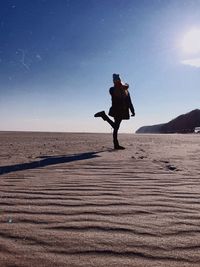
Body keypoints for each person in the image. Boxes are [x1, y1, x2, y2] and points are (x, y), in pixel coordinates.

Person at [94, 73, 135, 150]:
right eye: (116, 81)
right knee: (116, 127)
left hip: (120, 111)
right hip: (118, 111)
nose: (116, 82)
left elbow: (129, 102)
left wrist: (132, 110)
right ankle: (116, 145)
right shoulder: (115, 90)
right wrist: (123, 87)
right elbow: (126, 99)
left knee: (116, 127)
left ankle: (116, 144)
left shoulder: (122, 90)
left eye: (117, 80)